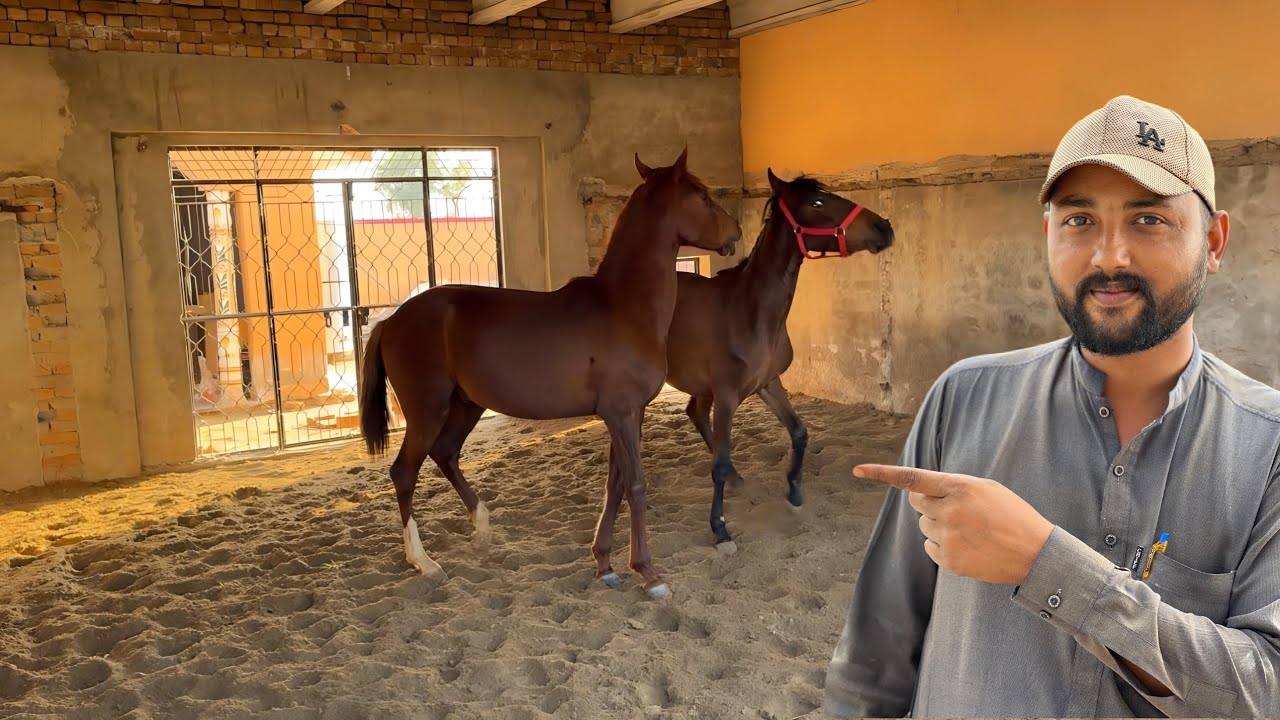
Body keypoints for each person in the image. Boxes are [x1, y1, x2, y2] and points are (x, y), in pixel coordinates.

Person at [822, 95, 1280, 718]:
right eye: (1079, 220)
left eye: (1148, 219)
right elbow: (873, 660)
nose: (1109, 256)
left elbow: (1265, 690)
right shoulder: (963, 400)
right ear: (1048, 236)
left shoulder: (1267, 447)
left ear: (1214, 240)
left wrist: (1045, 565)